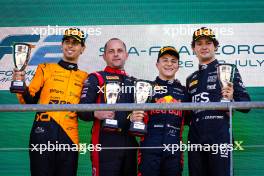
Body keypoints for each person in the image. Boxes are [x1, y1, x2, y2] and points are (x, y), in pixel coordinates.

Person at [12, 28, 88, 176]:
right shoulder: (45, 68)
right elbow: (29, 101)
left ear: (82, 49)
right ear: (61, 45)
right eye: (67, 42)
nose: (70, 46)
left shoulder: (86, 77)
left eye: (75, 43)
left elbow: (86, 113)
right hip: (43, 132)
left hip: (69, 136)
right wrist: (20, 82)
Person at [186, 27, 251, 176]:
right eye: (199, 43)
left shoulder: (228, 70)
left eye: (208, 43)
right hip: (195, 139)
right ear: (193, 48)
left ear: (215, 46)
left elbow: (246, 104)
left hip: (220, 137)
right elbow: (188, 115)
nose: (204, 47)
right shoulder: (190, 78)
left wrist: (231, 99)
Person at [78, 38, 138, 176]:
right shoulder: (96, 78)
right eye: (111, 51)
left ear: (126, 55)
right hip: (105, 144)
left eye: (120, 51)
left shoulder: (135, 82)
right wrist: (95, 113)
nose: (116, 54)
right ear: (104, 56)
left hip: (130, 144)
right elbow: (81, 109)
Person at [131, 46, 188, 176]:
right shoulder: (146, 88)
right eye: (165, 60)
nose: (169, 64)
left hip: (174, 148)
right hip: (149, 146)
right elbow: (133, 116)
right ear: (157, 64)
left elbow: (191, 119)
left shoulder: (185, 92)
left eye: (173, 61)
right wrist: (133, 117)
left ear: (178, 66)